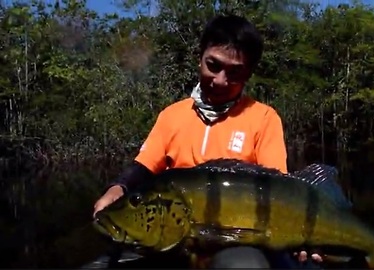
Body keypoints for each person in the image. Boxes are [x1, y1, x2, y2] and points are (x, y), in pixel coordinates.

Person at [92, 14, 321, 268]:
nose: (221, 80)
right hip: (173, 238)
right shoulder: (172, 115)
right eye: (213, 65)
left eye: (235, 73)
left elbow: (278, 190)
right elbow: (143, 168)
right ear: (199, 57)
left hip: (236, 244)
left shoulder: (264, 118)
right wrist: (117, 189)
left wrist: (301, 234)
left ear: (249, 74)